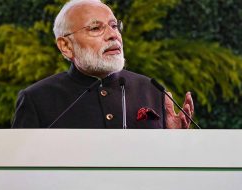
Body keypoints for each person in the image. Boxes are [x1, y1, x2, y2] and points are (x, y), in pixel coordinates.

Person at [12, 0, 194, 129]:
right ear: (66, 46)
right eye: (96, 28)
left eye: (114, 26)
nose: (113, 35)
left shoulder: (151, 89)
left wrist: (174, 141)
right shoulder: (37, 99)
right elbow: (18, 171)